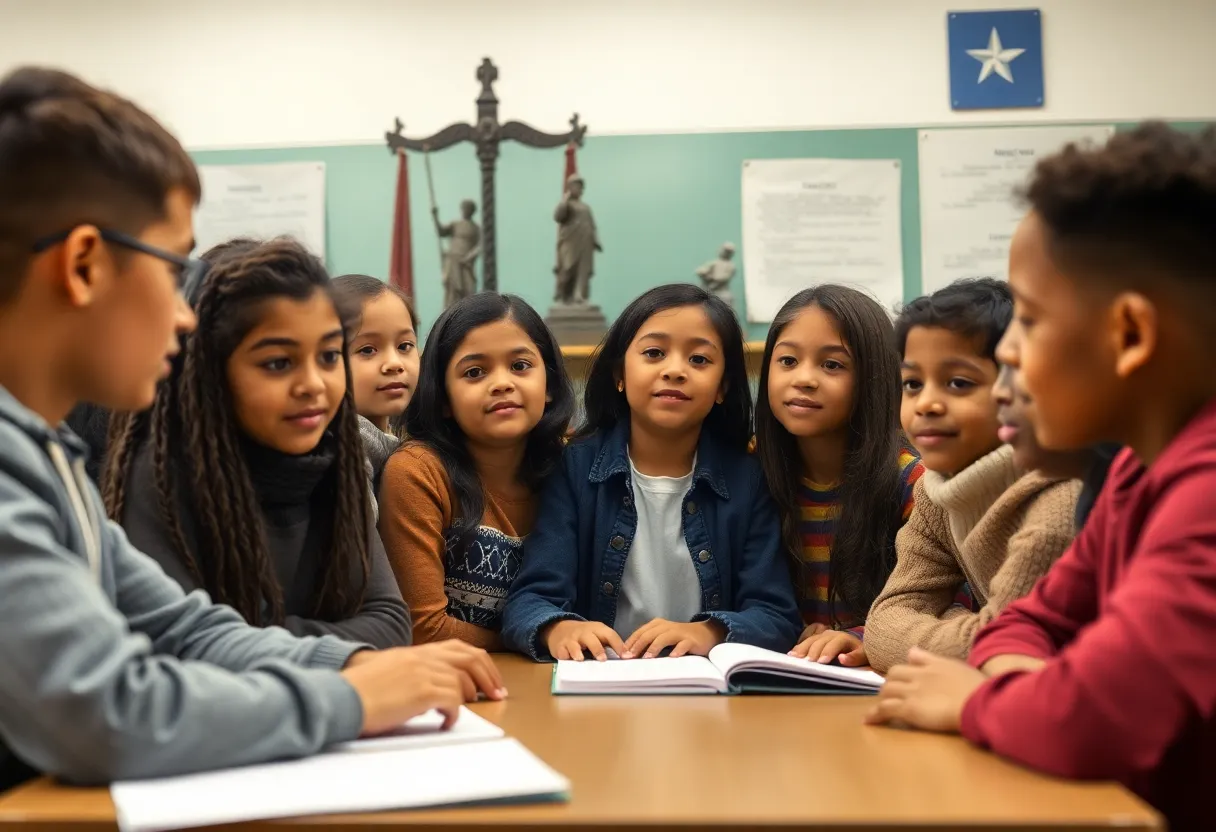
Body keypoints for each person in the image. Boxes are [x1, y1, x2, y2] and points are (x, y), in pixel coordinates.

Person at [0, 66, 502, 789]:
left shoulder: (46, 454)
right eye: (172, 269)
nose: (183, 315)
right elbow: (104, 714)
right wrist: (350, 698)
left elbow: (186, 628)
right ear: (83, 265)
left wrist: (365, 665)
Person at [865, 123, 1216, 831]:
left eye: (1027, 319)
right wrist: (1030, 687)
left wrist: (972, 702)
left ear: (1129, 336)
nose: (1011, 358)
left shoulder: (1205, 492)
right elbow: (1029, 622)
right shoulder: (1131, 480)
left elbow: (1092, 720)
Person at [104, 238, 412, 649]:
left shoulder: (337, 461)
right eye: (278, 363)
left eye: (329, 356)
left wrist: (249, 640)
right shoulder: (161, 477)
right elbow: (179, 649)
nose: (313, 385)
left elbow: (391, 624)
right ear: (211, 375)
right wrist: (337, 651)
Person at [502, 284, 802, 661]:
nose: (674, 370)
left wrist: (708, 632)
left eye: (699, 360)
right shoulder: (574, 469)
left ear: (723, 386)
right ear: (619, 374)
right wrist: (558, 627)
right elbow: (529, 599)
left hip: (707, 690)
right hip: (603, 686)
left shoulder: (749, 478)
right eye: (654, 353)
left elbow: (776, 614)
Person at [862, 279, 1079, 673]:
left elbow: (1016, 649)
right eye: (912, 383)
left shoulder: (1060, 500)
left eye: (959, 383)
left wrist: (959, 630)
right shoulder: (936, 490)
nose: (925, 403)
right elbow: (882, 628)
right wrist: (976, 630)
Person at [379, 293, 574, 647]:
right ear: (443, 400)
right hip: (453, 685)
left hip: (553, 681)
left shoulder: (572, 467)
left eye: (520, 366)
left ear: (549, 384)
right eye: (474, 372)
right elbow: (423, 628)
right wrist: (541, 634)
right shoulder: (417, 473)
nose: (502, 383)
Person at [753, 286, 922, 668]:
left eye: (832, 365)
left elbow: (944, 601)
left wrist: (857, 638)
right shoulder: (751, 469)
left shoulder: (913, 483)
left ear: (873, 378)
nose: (804, 379)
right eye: (788, 361)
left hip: (871, 678)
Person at [332, 273, 420, 493]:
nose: (394, 363)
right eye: (368, 350)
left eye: (404, 346)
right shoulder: (348, 447)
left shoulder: (387, 443)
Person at [553, 174, 601, 305]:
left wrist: (596, 240)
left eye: (581, 187)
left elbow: (592, 225)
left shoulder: (585, 207)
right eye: (577, 186)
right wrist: (564, 200)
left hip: (585, 241)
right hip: (570, 241)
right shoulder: (567, 205)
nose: (580, 190)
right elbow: (558, 217)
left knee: (583, 269)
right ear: (570, 188)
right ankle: (563, 295)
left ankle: (579, 294)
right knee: (568, 268)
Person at [433, 200, 480, 309]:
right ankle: (450, 313)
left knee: (469, 290)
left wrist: (469, 257)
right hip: (453, 259)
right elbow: (441, 232)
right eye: (464, 208)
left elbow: (481, 246)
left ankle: (466, 313)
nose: (465, 211)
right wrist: (435, 216)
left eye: (468, 209)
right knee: (453, 291)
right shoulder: (455, 224)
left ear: (472, 211)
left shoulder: (476, 229)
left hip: (466, 263)